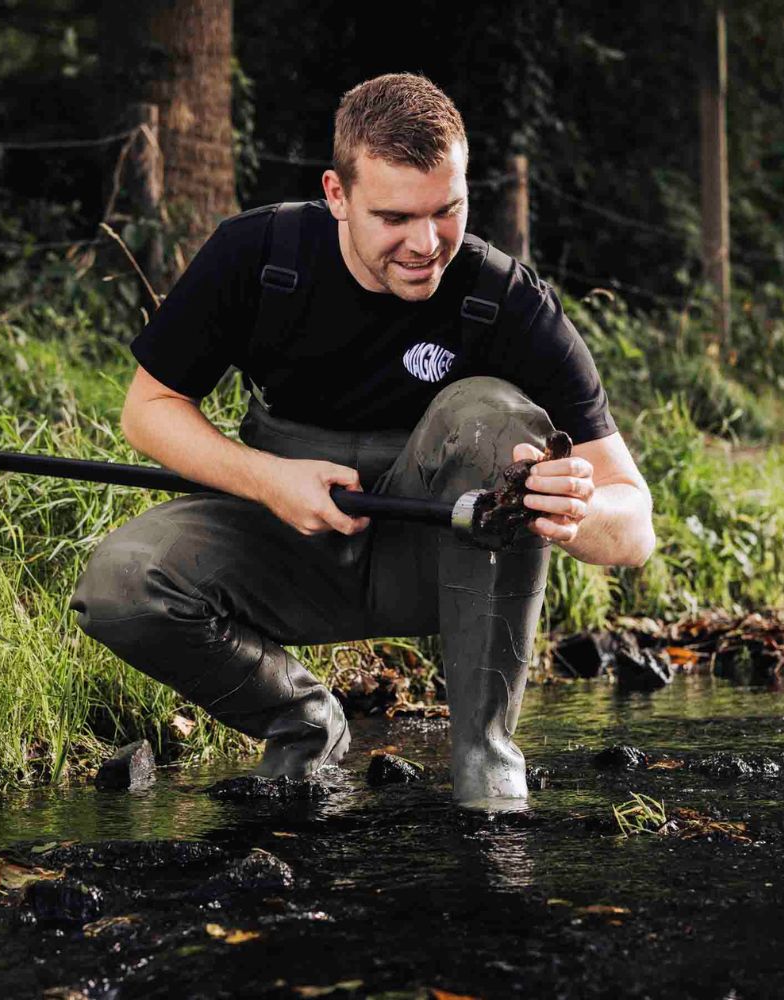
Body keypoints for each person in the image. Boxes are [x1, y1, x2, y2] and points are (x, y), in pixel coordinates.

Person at [69, 72, 656, 807]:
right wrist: (266, 479)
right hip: (289, 542)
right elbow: (148, 409)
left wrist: (575, 513)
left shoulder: (508, 300)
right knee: (120, 583)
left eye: (449, 210)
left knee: (490, 410)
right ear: (337, 195)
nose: (426, 243)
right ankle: (304, 724)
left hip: (448, 563)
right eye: (394, 217)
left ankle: (486, 770)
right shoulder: (258, 257)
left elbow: (634, 524)